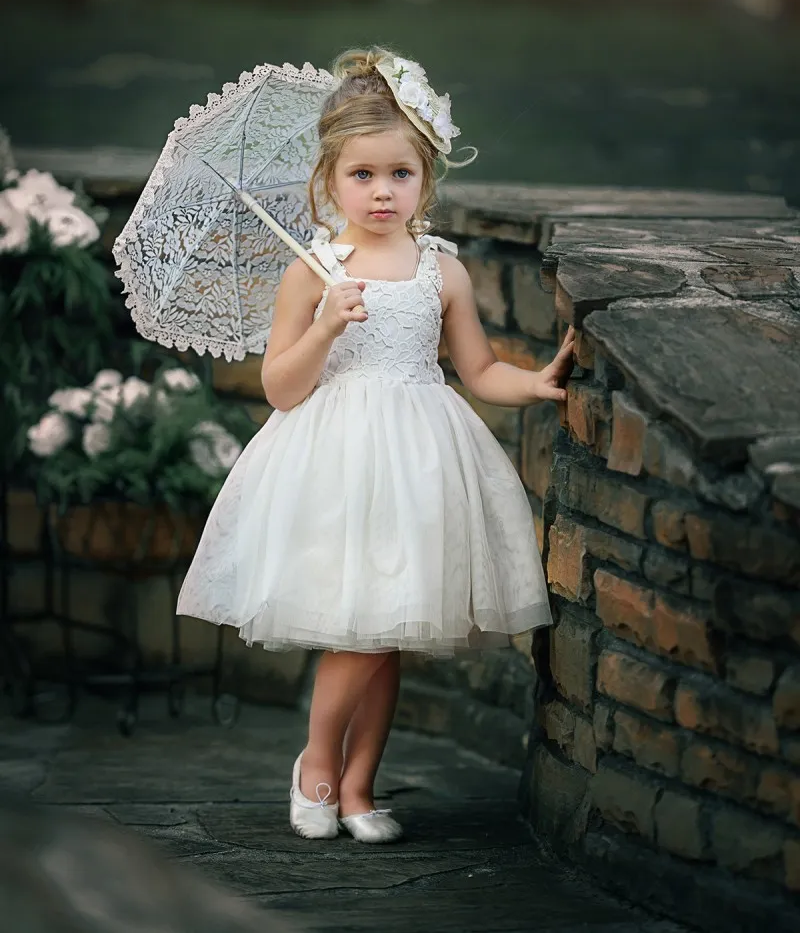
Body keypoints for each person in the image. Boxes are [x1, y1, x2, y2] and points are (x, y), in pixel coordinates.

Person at [176, 47, 574, 845]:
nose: (382, 191)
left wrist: (531, 383)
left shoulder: (443, 271)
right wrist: (325, 321)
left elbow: (478, 368)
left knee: (389, 629)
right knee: (357, 630)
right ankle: (317, 762)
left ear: (426, 176)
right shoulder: (312, 272)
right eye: (362, 175)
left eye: (400, 173)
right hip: (338, 464)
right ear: (330, 180)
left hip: (419, 460)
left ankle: (359, 784)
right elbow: (282, 388)